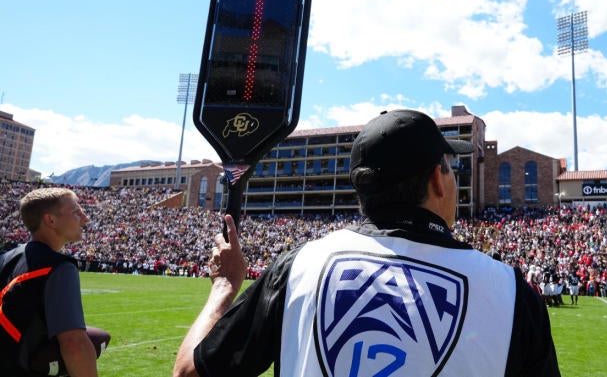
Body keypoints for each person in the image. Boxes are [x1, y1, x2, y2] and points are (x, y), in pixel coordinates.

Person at [174, 109, 561, 377]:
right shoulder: (511, 292)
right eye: (451, 168)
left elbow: (189, 372)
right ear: (437, 180)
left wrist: (223, 288)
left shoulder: (298, 267)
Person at [0, 187, 98, 377]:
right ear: (51, 220)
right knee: (95, 339)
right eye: (76, 212)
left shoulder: (5, 258)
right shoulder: (59, 267)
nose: (85, 218)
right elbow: (73, 344)